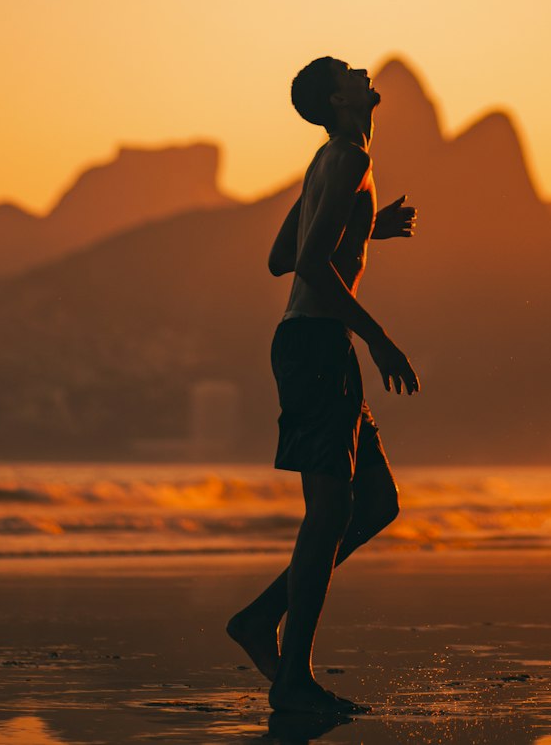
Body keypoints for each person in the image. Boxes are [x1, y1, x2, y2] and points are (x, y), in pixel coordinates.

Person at [226, 57, 420, 714]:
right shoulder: (345, 160)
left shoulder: (329, 159)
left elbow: (284, 256)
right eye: (347, 70)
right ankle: (293, 678)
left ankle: (260, 621)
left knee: (374, 505)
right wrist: (380, 337)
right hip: (317, 346)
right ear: (338, 98)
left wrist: (368, 228)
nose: (362, 69)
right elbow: (305, 263)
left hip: (312, 345)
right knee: (331, 514)